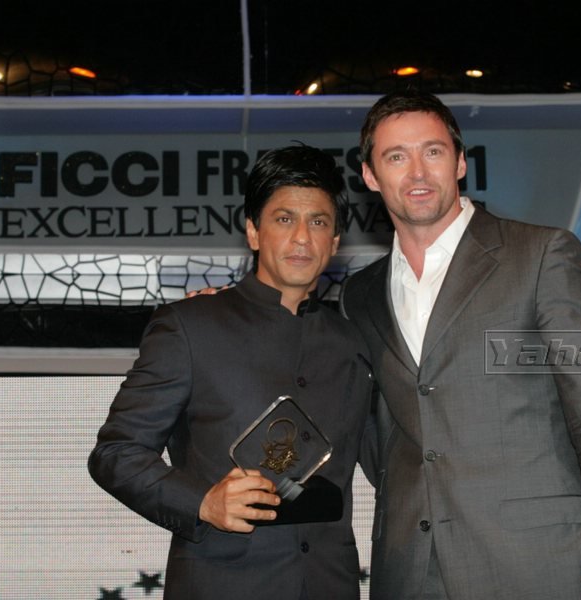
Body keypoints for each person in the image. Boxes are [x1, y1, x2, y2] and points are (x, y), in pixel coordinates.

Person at [340, 90, 581, 599]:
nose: (417, 172)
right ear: (370, 176)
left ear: (461, 163)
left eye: (433, 152)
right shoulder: (359, 294)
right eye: (396, 157)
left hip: (535, 563)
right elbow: (372, 428)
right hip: (408, 569)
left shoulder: (541, 254)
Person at [88, 145, 375, 600]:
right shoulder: (190, 327)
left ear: (335, 242)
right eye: (284, 219)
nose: (302, 237)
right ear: (253, 231)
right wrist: (202, 503)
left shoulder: (354, 343)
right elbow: (116, 453)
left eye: (319, 222)